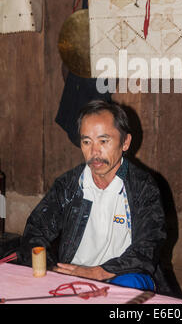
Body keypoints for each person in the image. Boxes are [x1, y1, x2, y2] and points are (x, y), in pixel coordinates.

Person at [17, 100, 170, 293]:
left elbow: (148, 247)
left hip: (123, 274)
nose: (94, 152)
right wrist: (53, 271)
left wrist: (101, 272)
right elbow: (35, 231)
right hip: (75, 273)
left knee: (130, 286)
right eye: (86, 141)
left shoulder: (142, 188)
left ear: (125, 142)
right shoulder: (70, 185)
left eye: (103, 141)